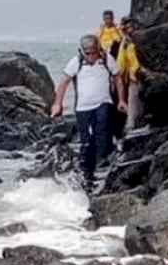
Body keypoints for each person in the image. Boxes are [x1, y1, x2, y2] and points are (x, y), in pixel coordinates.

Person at [50, 34, 126, 187]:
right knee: (87, 141)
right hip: (83, 107)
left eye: (94, 52)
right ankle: (87, 174)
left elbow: (117, 78)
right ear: (82, 52)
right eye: (87, 53)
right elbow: (63, 82)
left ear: (99, 49)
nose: (91, 56)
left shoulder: (106, 59)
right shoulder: (76, 62)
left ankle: (103, 164)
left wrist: (122, 100)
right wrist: (57, 104)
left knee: (102, 129)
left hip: (103, 102)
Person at [115, 16, 143, 133]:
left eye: (130, 27)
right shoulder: (125, 43)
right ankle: (131, 126)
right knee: (133, 104)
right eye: (126, 28)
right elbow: (120, 63)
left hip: (143, 75)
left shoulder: (139, 40)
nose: (129, 30)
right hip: (133, 78)